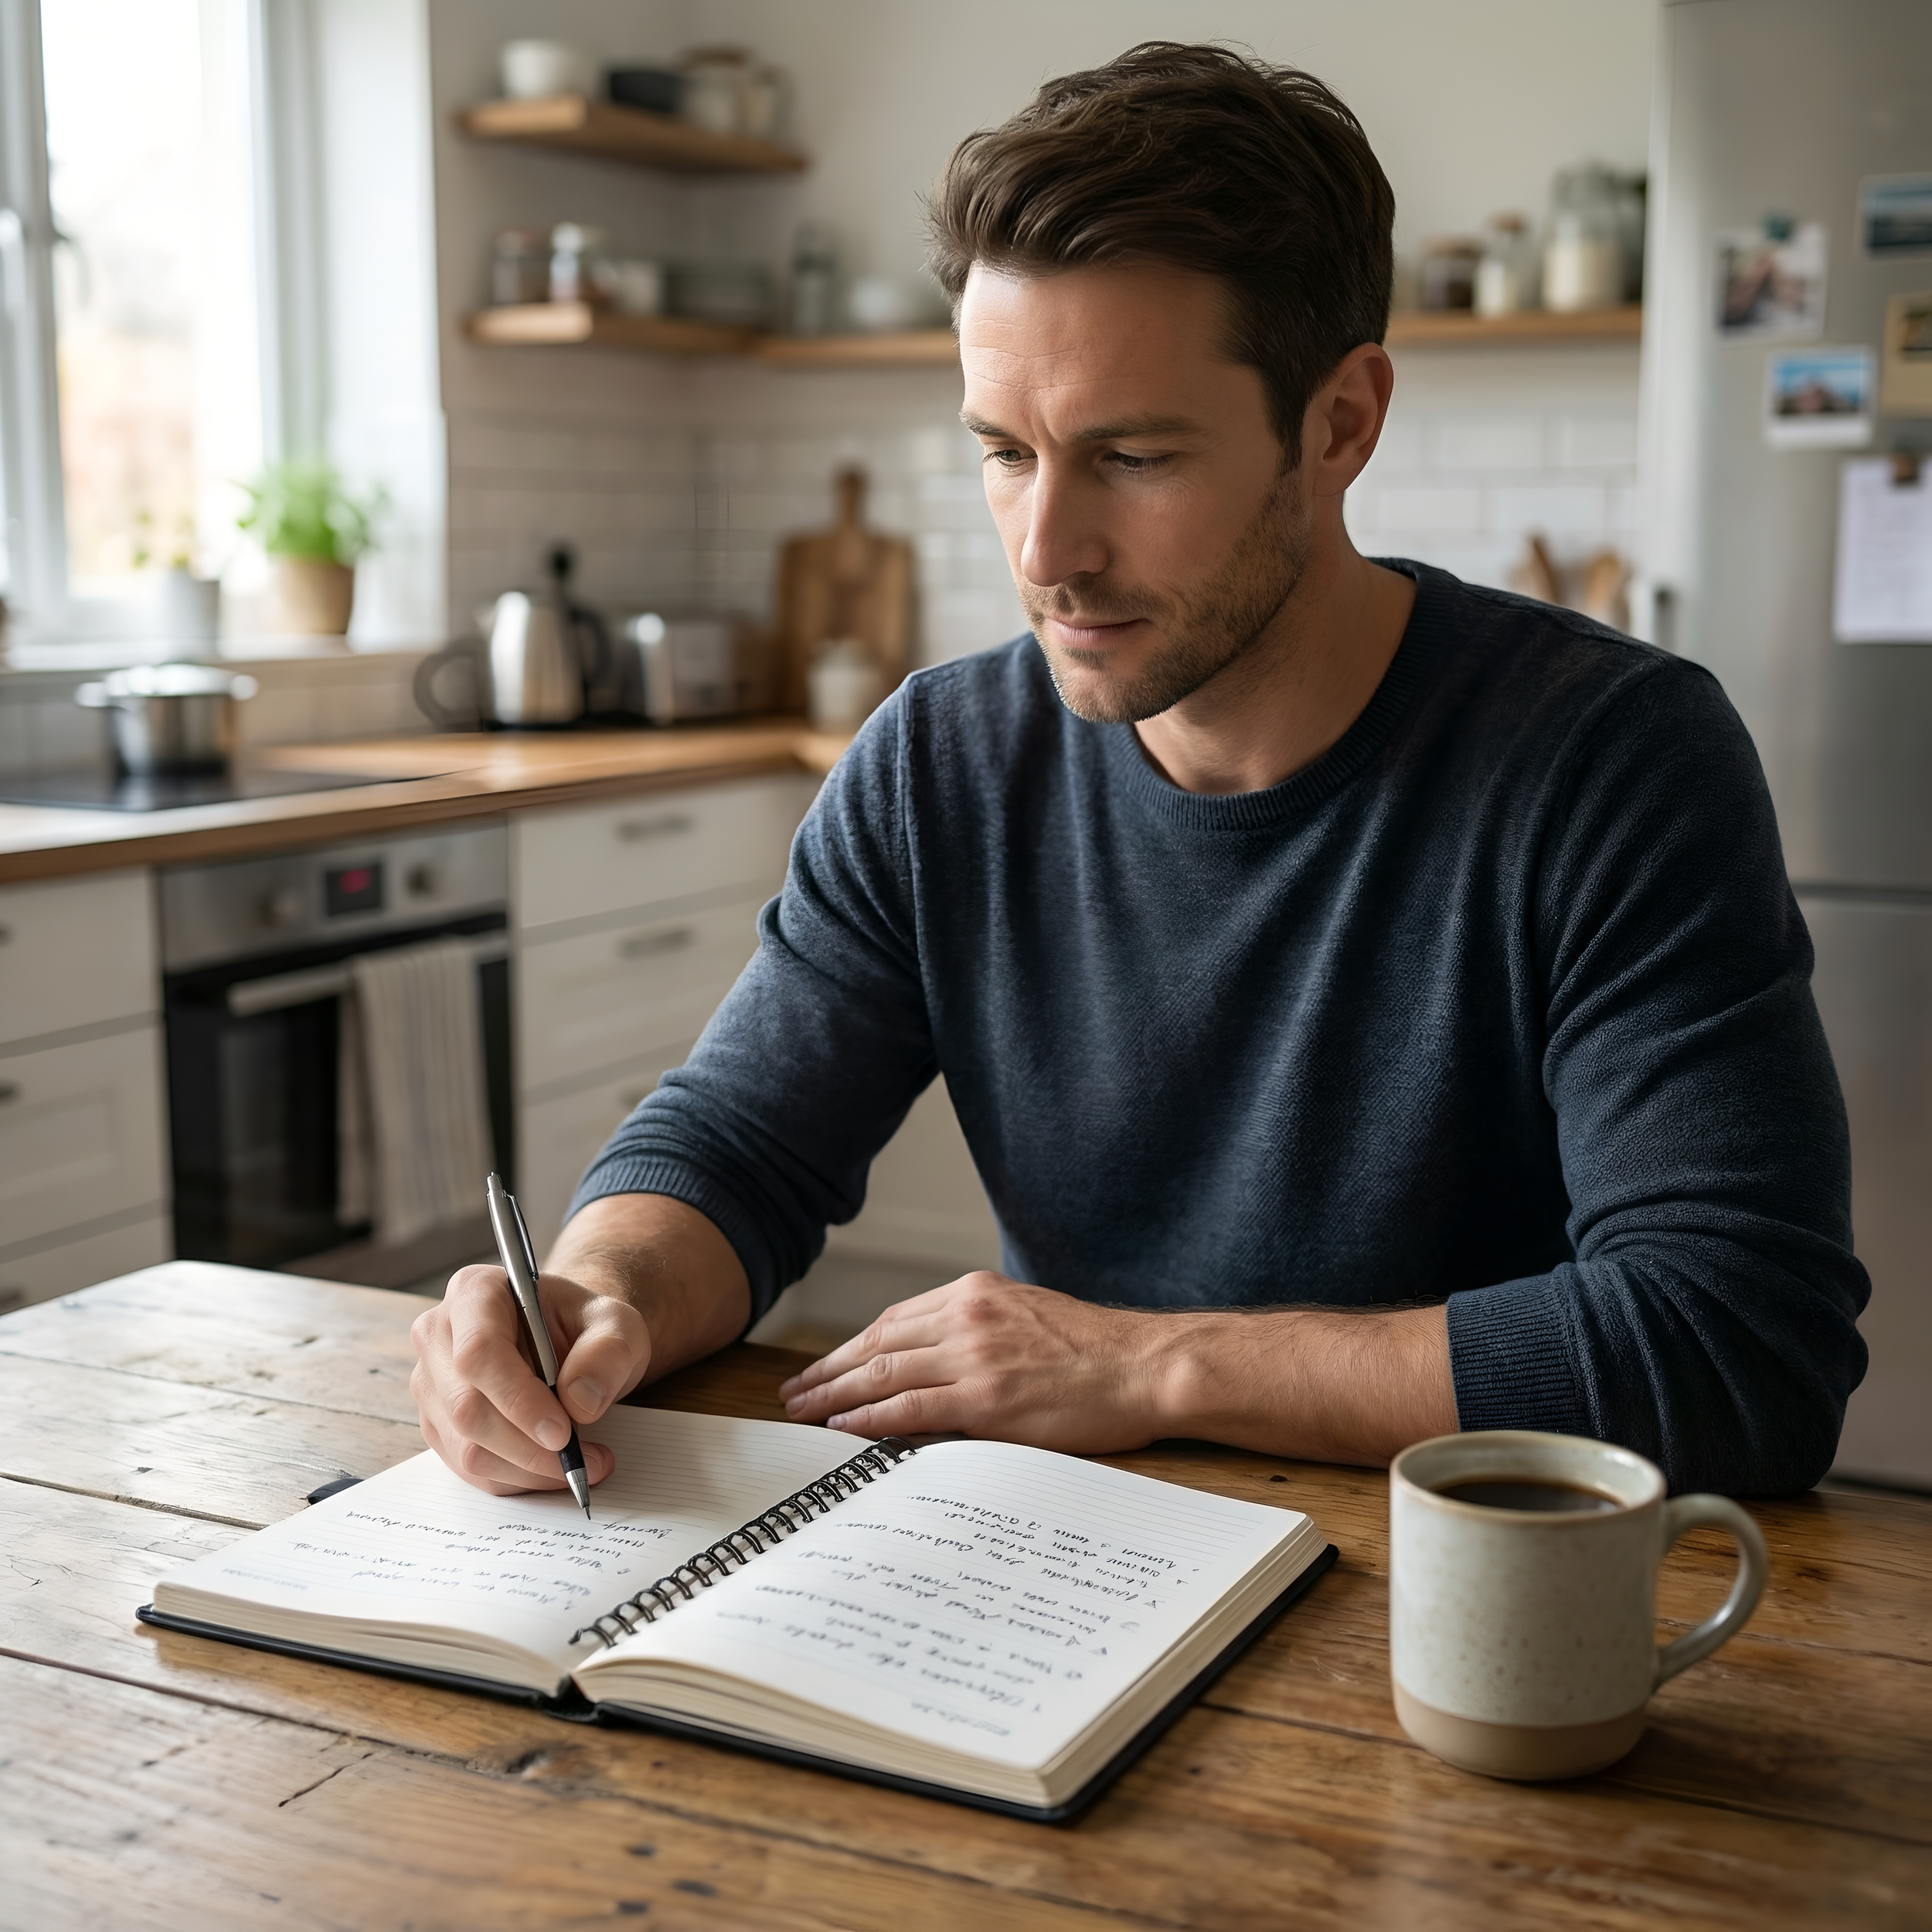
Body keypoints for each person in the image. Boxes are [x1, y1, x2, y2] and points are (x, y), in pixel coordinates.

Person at [411, 43, 1868, 1501]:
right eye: (1003, 452)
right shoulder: (937, 765)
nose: (1046, 552)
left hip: (1491, 1600)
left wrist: (1146, 1363)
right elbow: (737, 1146)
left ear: (1341, 423)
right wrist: (600, 1292)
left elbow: (1735, 1345)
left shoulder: (1614, 762)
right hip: (1074, 1570)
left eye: (1133, 456)